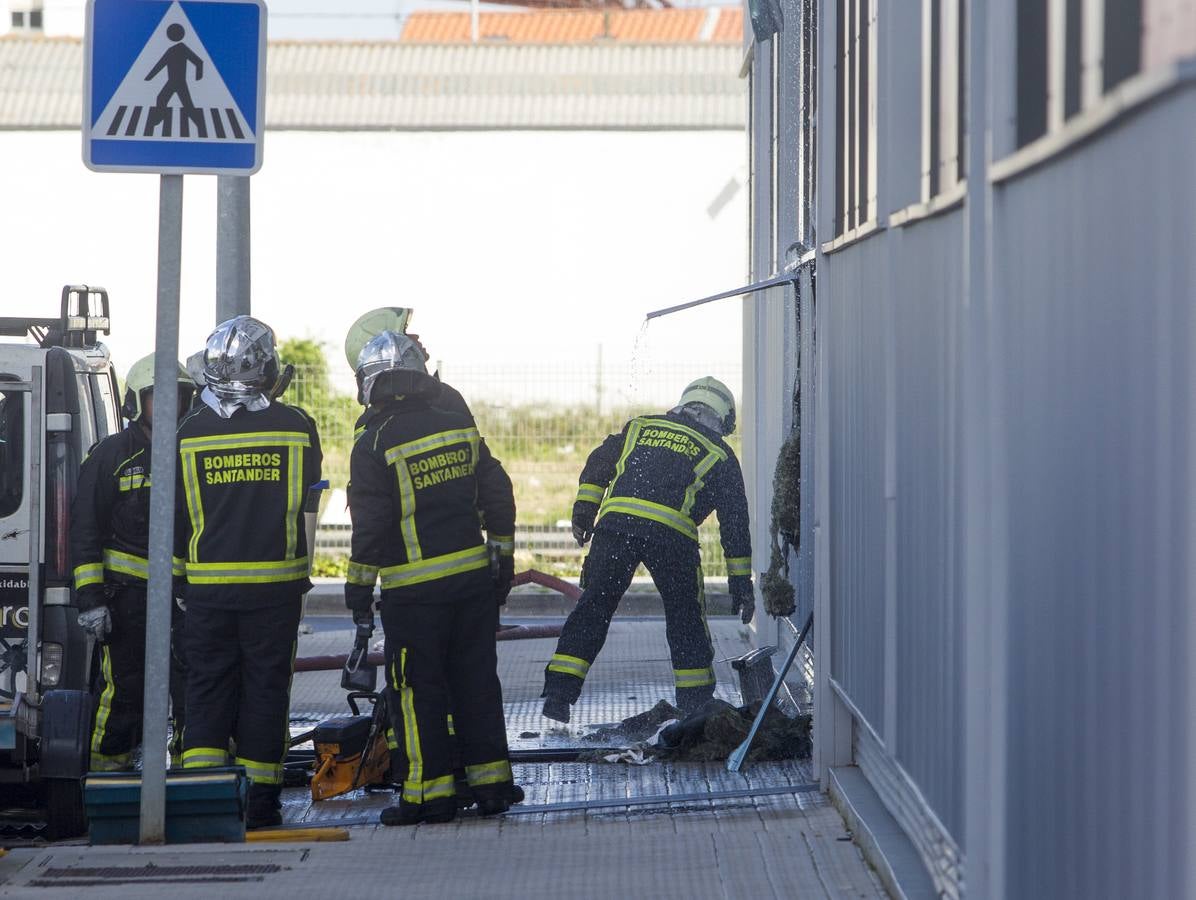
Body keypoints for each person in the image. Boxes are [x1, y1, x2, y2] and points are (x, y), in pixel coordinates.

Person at [345, 331, 518, 826]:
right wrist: (501, 561)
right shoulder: (456, 424)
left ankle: (428, 796)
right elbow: (498, 495)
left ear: (372, 383)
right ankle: (491, 788)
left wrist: (358, 589)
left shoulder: (373, 442)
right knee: (477, 684)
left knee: (418, 691)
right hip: (471, 585)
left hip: (414, 596)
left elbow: (372, 526)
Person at [174, 316, 322, 829]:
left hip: (207, 589)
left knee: (206, 688)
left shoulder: (187, 431)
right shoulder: (297, 427)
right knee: (265, 688)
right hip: (275, 586)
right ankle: (260, 802)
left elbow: (174, 518)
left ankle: (201, 797)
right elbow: (308, 499)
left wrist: (179, 581)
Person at [541, 377, 755, 723]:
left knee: (594, 606)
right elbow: (734, 523)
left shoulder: (641, 426)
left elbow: (599, 465)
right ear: (722, 419)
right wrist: (741, 583)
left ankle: (558, 694)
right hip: (671, 538)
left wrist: (584, 512)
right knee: (686, 618)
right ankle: (696, 704)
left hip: (616, 528)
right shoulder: (719, 453)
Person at [72, 353, 195, 770]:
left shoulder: (194, 448)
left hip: (184, 599)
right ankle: (108, 775)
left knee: (192, 687)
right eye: (155, 398)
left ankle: (187, 774)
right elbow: (85, 529)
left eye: (177, 397)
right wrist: (91, 600)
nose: (167, 406)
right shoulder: (110, 456)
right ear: (134, 402)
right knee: (124, 690)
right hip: (126, 600)